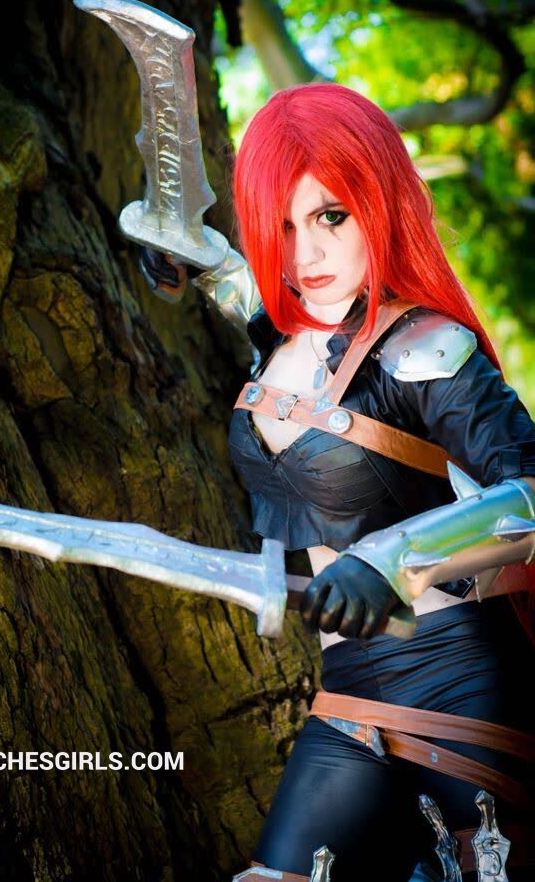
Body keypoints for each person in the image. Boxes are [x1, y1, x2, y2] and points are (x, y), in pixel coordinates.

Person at [141, 83, 535, 882]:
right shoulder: (286, 339)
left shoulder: (425, 348)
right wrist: (191, 253)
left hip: (461, 684)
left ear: (379, 204)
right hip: (349, 693)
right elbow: (253, 297)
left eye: (331, 217)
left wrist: (392, 559)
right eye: (282, 226)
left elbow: (529, 492)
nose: (305, 257)